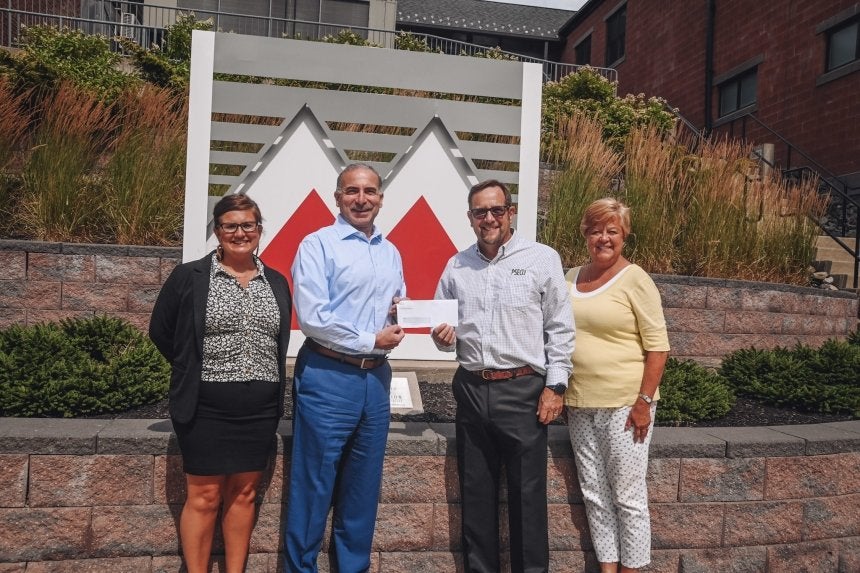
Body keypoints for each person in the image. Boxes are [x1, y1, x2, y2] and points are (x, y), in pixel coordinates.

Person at [431, 179, 575, 573]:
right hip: (473, 389)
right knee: (476, 497)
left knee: (528, 499)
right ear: (470, 217)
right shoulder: (456, 265)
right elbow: (444, 330)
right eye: (481, 212)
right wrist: (443, 337)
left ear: (510, 212)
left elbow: (560, 328)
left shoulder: (542, 258)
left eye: (497, 210)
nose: (489, 218)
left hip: (524, 390)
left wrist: (555, 386)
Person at [149, 194, 292, 573]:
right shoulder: (190, 277)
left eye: (248, 225)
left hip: (259, 410)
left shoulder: (275, 281)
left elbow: (277, 342)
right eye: (230, 225)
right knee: (205, 496)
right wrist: (188, 369)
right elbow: (160, 331)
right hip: (205, 407)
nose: (240, 233)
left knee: (244, 495)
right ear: (217, 231)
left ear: (260, 231)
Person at [285, 163, 406, 573]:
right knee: (314, 485)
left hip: (375, 378)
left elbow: (397, 302)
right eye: (351, 191)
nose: (361, 199)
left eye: (369, 191)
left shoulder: (390, 251)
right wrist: (370, 338)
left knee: (362, 489)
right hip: (329, 374)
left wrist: (399, 314)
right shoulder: (318, 245)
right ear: (337, 198)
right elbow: (314, 318)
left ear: (380, 198)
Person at [564, 198, 670, 573]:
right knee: (594, 495)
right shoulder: (570, 277)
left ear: (625, 235)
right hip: (578, 404)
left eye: (612, 231)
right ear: (585, 234)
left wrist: (643, 401)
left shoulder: (636, 279)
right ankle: (607, 568)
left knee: (628, 497)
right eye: (596, 230)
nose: (603, 238)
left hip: (626, 406)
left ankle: (633, 569)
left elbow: (658, 346)